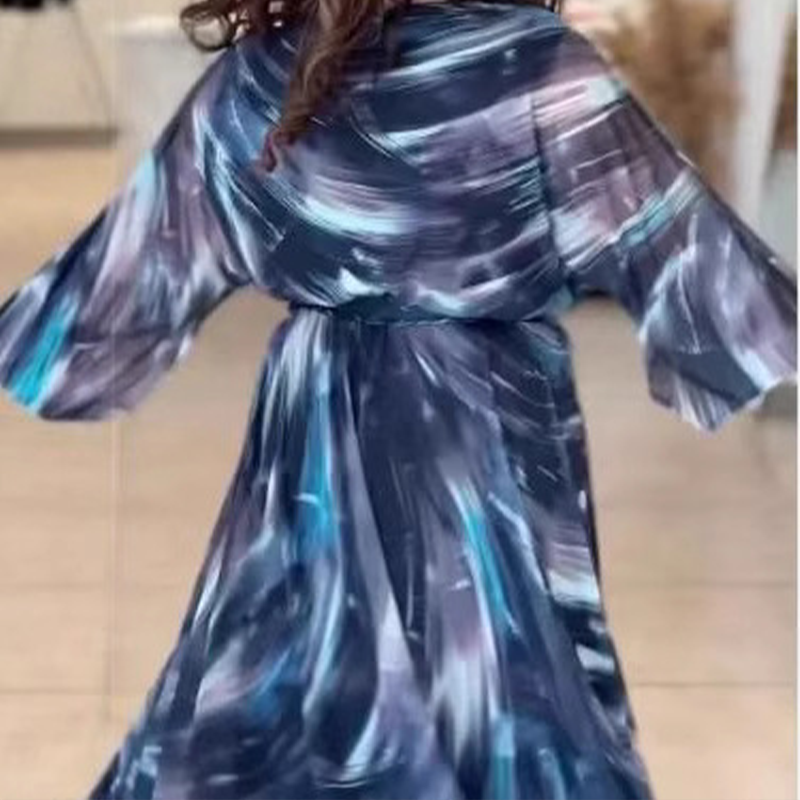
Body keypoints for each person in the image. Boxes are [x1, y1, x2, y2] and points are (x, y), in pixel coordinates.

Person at [0, 0, 796, 797]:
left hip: (312, 423)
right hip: (485, 425)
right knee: (501, 694)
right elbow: (693, 265)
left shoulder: (261, 76)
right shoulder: (534, 67)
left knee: (298, 683)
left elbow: (118, 285)